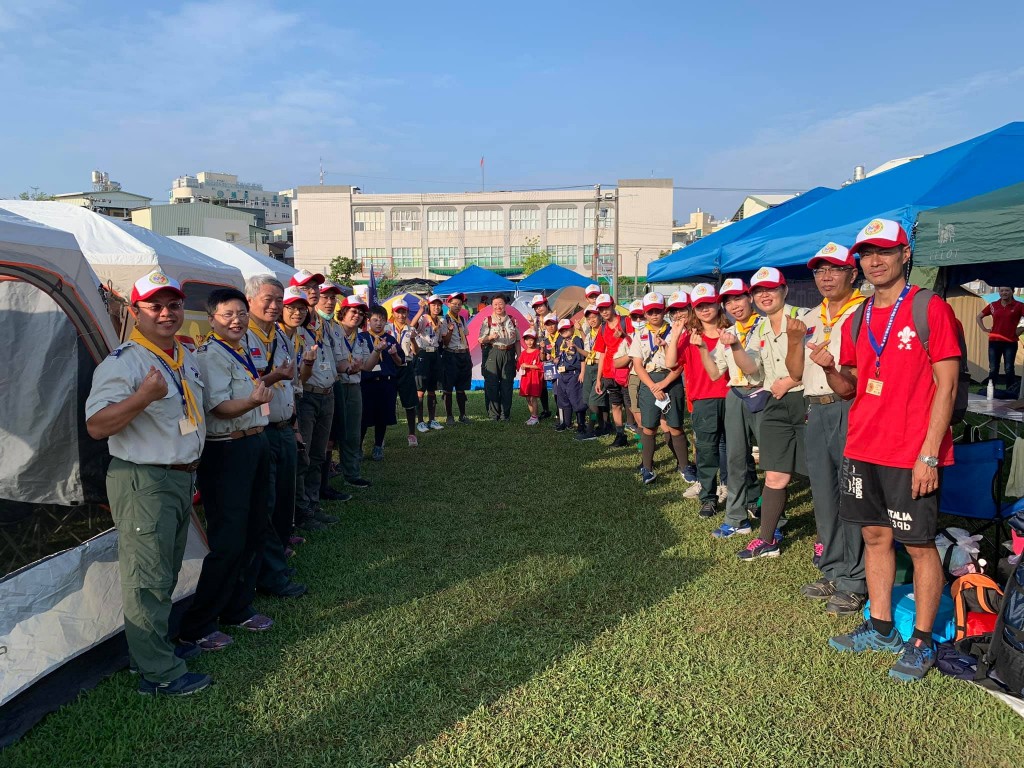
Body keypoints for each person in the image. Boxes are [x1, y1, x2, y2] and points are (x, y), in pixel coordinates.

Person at [817, 218, 960, 682]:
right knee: (875, 538)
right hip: (864, 446)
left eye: (884, 251)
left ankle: (920, 641)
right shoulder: (858, 316)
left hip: (910, 452)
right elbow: (850, 389)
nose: (874, 261)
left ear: (905, 256)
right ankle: (880, 627)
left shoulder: (928, 307)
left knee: (919, 546)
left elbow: (948, 385)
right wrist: (830, 369)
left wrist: (929, 455)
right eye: (866, 253)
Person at [85, 271, 211, 696]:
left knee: (166, 569)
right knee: (147, 577)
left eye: (173, 304)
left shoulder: (181, 356)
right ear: (135, 312)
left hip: (176, 477)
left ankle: (155, 648)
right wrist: (142, 398)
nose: (166, 312)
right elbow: (98, 426)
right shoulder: (124, 362)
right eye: (154, 306)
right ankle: (156, 673)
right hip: (143, 480)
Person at [178, 287, 274, 653]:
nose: (236, 320)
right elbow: (218, 408)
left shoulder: (243, 349)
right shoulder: (207, 356)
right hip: (227, 450)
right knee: (229, 538)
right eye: (227, 315)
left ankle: (238, 607)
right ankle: (199, 624)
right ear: (212, 319)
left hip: (255, 441)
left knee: (255, 529)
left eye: (240, 313)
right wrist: (251, 399)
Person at [784, 243, 868, 615]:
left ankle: (857, 577)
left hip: (851, 407)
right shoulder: (808, 316)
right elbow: (798, 373)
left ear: (853, 273)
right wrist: (793, 339)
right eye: (820, 271)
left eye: (835, 269)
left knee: (853, 493)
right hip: (816, 409)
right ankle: (833, 567)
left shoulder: (865, 312)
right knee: (824, 492)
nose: (826, 277)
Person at [730, 267, 805, 561]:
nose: (764, 295)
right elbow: (752, 368)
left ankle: (826, 539)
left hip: (805, 400)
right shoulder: (759, 328)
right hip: (774, 402)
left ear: (784, 290)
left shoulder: (805, 317)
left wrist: (789, 380)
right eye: (758, 291)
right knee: (774, 472)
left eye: (770, 289)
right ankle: (766, 539)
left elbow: (817, 361)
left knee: (818, 474)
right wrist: (735, 346)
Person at [244, 276, 308, 600]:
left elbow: (291, 384)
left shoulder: (280, 337)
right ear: (250, 299)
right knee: (267, 503)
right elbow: (247, 385)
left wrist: (295, 424)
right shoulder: (242, 337)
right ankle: (271, 575)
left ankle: (278, 561)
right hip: (262, 429)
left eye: (277, 300)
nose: (274, 306)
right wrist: (276, 375)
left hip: (284, 426)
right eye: (267, 299)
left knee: (284, 500)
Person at [691, 278, 761, 537]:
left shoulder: (764, 326)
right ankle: (736, 515)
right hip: (732, 395)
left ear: (749, 298)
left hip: (761, 395)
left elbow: (754, 369)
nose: (734, 304)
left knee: (766, 461)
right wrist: (700, 349)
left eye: (738, 298)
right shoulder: (726, 335)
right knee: (731, 456)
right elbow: (713, 373)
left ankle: (765, 510)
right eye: (728, 300)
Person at [664, 283, 728, 517]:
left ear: (717, 304)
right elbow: (671, 363)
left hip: (731, 397)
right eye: (699, 306)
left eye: (709, 303)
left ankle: (731, 489)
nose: (704, 309)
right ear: (695, 309)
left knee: (732, 449)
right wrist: (676, 334)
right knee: (707, 449)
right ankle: (709, 497)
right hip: (703, 399)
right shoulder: (691, 337)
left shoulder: (729, 330)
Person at [291, 274, 345, 531]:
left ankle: (312, 504)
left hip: (327, 392)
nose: (312, 292)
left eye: (314, 287)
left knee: (317, 454)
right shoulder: (292, 326)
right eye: (306, 288)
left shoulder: (321, 325)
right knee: (304, 456)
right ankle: (301, 510)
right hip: (306, 395)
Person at [630, 292, 688, 485]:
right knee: (649, 427)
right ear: (645, 314)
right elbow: (638, 365)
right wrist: (654, 387)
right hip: (649, 381)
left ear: (664, 311)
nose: (655, 315)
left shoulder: (675, 331)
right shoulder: (639, 335)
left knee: (675, 425)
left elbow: (680, 363)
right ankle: (647, 468)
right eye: (650, 311)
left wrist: (663, 384)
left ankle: (685, 467)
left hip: (671, 379)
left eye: (658, 310)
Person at [314, 281, 351, 506]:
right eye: (325, 297)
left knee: (331, 439)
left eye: (332, 298)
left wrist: (349, 365)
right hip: (313, 390)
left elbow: (338, 358)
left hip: (333, 384)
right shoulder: (309, 324)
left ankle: (324, 485)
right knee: (317, 443)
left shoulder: (334, 326)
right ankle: (316, 490)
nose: (329, 302)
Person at [337, 295, 374, 487]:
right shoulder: (332, 333)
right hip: (334, 386)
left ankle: (351, 473)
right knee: (329, 435)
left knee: (352, 433)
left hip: (353, 387)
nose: (357, 315)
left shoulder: (360, 338)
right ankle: (325, 476)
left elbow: (367, 365)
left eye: (361, 313)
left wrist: (378, 351)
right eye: (353, 311)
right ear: (343, 312)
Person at [593, 293, 634, 447]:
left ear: (613, 305)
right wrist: (599, 377)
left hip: (626, 371)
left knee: (632, 406)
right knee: (615, 405)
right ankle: (620, 434)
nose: (604, 311)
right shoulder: (603, 328)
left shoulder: (626, 322)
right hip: (609, 374)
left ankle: (643, 437)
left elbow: (636, 342)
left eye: (607, 307)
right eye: (601, 309)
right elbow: (602, 353)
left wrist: (623, 335)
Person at [480, 294, 519, 420]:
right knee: (492, 384)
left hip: (509, 353)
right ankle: (493, 414)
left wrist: (519, 356)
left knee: (507, 384)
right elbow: (481, 339)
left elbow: (517, 340)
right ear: (492, 306)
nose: (498, 306)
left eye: (501, 303)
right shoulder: (488, 320)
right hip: (493, 351)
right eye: (495, 304)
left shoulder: (512, 320)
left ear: (505, 304)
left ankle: (504, 415)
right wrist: (490, 337)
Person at [976, 286, 1024, 390]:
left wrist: (1021, 329)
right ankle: (990, 390)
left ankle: (1010, 391)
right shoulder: (993, 305)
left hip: (1010, 342)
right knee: (993, 368)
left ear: (1012, 292)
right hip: (994, 341)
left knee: (1009, 368)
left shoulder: (1019, 305)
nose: (1004, 293)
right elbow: (979, 316)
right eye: (1001, 291)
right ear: (999, 292)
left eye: (1007, 290)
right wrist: (984, 329)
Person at [388, 298, 420, 446]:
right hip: (390, 368)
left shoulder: (411, 330)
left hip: (406, 367)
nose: (401, 315)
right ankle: (381, 437)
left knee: (409, 401)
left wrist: (413, 340)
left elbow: (416, 352)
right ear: (393, 313)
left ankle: (412, 433)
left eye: (403, 312)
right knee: (387, 402)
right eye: (398, 312)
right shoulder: (387, 329)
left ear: (407, 313)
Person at [411, 295, 444, 432]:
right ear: (429, 306)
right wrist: (420, 310)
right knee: (420, 390)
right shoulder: (424, 318)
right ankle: (420, 422)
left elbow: (441, 338)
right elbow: (412, 326)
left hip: (434, 354)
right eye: (433, 305)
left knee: (432, 389)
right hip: (423, 353)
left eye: (438, 305)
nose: (436, 307)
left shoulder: (441, 321)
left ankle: (432, 420)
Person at [440, 292, 473, 425]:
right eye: (454, 304)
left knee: (461, 387)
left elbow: (465, 337)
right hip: (451, 354)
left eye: (459, 304)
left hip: (463, 354)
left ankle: (463, 415)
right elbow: (445, 342)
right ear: (448, 304)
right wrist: (450, 331)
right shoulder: (444, 320)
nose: (457, 306)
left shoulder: (463, 319)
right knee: (448, 387)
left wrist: (468, 355)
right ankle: (449, 416)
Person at [552, 318, 588, 433]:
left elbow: (583, 358)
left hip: (574, 373)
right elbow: (559, 354)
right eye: (562, 330)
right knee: (563, 399)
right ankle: (566, 423)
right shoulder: (560, 341)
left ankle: (581, 424)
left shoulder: (576, 340)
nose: (564, 332)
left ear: (572, 328)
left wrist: (582, 373)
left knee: (576, 398)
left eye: (567, 329)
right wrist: (556, 359)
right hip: (562, 374)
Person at [577, 304, 606, 441]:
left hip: (600, 367)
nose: (592, 320)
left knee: (594, 401)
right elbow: (589, 353)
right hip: (589, 367)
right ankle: (603, 426)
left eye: (594, 317)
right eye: (589, 318)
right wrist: (577, 348)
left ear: (600, 316)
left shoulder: (605, 331)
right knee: (588, 399)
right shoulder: (589, 334)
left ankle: (591, 429)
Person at [531, 294, 554, 419]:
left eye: (540, 305)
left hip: (553, 354)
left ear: (546, 305)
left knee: (556, 382)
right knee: (542, 383)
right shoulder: (535, 321)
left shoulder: (553, 317)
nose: (539, 308)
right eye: (536, 307)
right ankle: (546, 409)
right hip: (540, 355)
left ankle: (560, 409)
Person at [625, 299, 646, 433]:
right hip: (634, 375)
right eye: (634, 317)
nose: (638, 320)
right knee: (635, 407)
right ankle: (642, 434)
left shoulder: (658, 334)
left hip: (652, 375)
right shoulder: (627, 336)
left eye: (641, 316)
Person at [518, 329, 543, 424]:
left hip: (534, 377)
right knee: (528, 398)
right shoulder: (523, 353)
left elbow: (540, 366)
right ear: (524, 340)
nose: (529, 342)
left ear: (535, 340)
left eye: (531, 340)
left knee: (533, 397)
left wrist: (528, 365)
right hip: (526, 378)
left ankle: (535, 417)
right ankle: (532, 415)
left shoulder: (537, 352)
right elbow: (519, 365)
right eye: (527, 339)